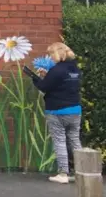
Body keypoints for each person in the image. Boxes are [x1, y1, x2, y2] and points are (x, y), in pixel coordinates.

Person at [31, 42, 82, 184]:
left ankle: (63, 173)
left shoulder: (56, 70)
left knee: (59, 140)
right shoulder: (75, 69)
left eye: (51, 54)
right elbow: (62, 84)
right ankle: (82, 172)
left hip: (57, 110)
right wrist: (48, 76)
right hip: (75, 110)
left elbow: (44, 86)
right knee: (75, 140)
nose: (50, 57)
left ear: (57, 54)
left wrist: (36, 78)